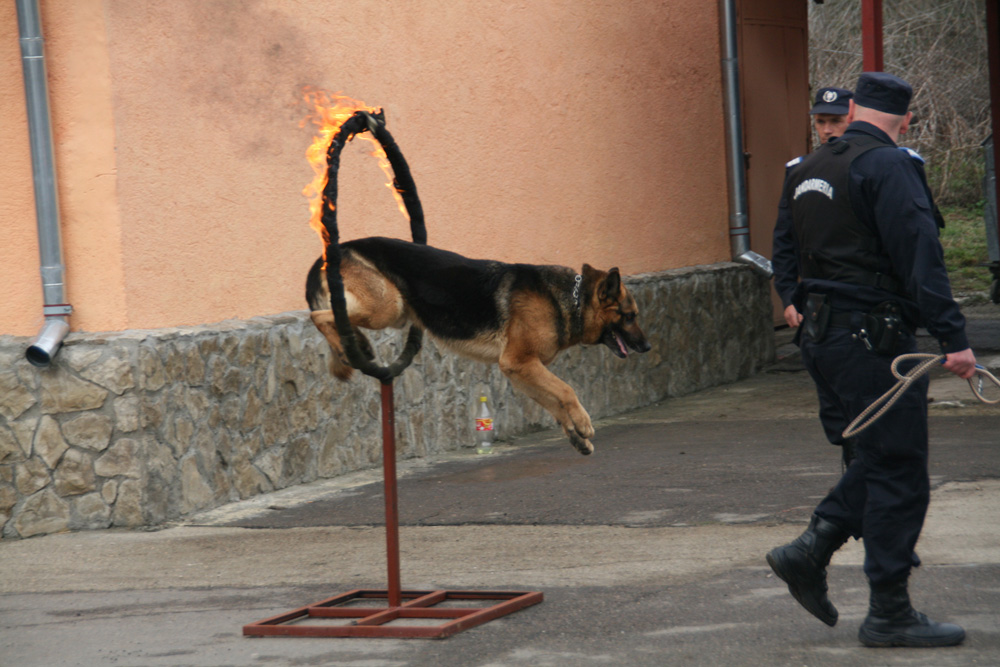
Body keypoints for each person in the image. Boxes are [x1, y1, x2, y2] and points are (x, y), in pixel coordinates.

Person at [768, 72, 978, 648]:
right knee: (898, 471)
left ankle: (812, 550)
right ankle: (887, 611)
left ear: (856, 107)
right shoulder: (888, 166)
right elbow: (920, 255)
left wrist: (793, 298)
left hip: (824, 339)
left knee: (876, 459)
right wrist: (953, 338)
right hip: (872, 341)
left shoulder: (810, 168)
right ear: (906, 119)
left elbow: (791, 246)